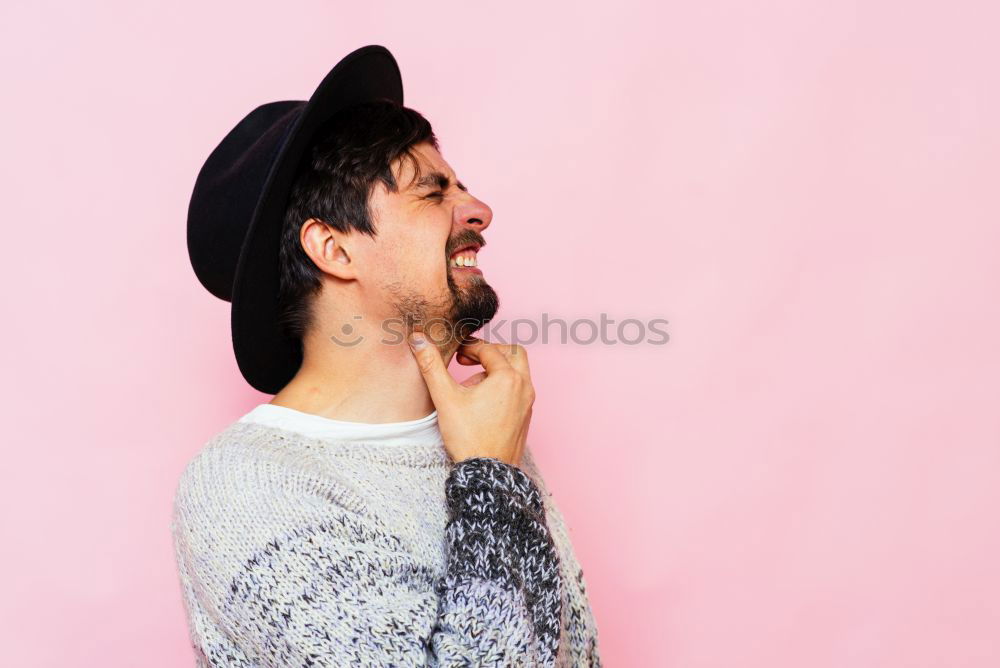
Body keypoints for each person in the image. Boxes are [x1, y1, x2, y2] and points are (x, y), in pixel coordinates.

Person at [172, 45, 602, 666]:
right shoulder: (245, 489)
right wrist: (491, 477)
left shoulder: (486, 436)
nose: (479, 211)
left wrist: (491, 465)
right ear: (335, 249)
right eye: (433, 194)